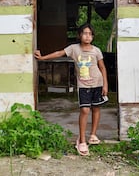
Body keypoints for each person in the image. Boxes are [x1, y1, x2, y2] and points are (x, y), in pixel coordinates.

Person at [34, 23, 108, 156]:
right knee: (85, 110)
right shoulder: (74, 49)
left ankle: (93, 135)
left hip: (98, 83)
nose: (87, 36)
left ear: (93, 36)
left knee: (96, 108)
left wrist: (105, 85)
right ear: (79, 35)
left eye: (90, 34)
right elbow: (59, 53)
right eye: (85, 33)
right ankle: (82, 140)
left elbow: (102, 68)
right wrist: (42, 58)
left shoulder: (96, 50)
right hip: (84, 86)